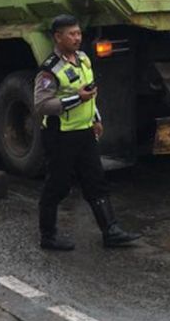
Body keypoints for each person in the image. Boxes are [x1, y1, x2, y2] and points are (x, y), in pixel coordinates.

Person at [34, 14, 140, 251]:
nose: (77, 38)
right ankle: (48, 236)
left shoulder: (83, 59)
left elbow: (90, 92)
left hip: (84, 133)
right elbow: (42, 105)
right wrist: (75, 98)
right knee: (58, 186)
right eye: (71, 34)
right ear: (58, 37)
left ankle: (111, 231)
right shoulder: (49, 70)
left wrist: (96, 118)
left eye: (79, 33)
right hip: (60, 135)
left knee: (96, 181)